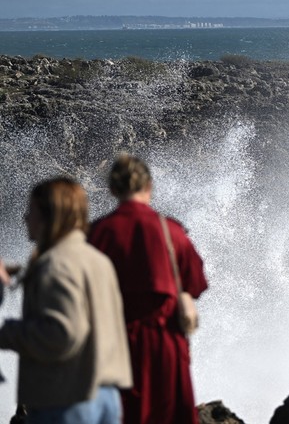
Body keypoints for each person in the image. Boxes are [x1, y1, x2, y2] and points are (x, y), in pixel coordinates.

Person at [0, 177, 133, 422]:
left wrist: (6, 333)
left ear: (51, 216)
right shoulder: (98, 260)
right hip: (106, 398)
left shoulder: (54, 265)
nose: (25, 218)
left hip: (66, 400)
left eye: (32, 211)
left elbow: (63, 333)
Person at [89, 155, 208, 424]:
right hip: (164, 340)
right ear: (149, 186)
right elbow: (196, 283)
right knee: (167, 412)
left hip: (115, 342)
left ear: (112, 189)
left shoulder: (98, 232)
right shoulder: (171, 230)